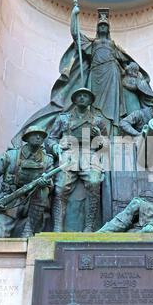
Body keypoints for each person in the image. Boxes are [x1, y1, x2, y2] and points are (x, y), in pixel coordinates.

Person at [11, 8, 153, 146]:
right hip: (95, 76)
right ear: (98, 29)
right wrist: (74, 15)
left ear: (108, 29)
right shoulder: (93, 44)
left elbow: (128, 62)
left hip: (112, 77)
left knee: (113, 110)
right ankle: (94, 138)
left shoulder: (112, 45)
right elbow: (76, 35)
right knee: (95, 107)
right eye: (101, 26)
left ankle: (112, 137)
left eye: (105, 26)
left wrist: (134, 72)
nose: (103, 28)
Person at [46, 87, 108, 232]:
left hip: (89, 153)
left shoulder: (97, 121)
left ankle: (89, 226)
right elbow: (51, 138)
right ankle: (57, 227)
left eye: (85, 96)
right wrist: (56, 147)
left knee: (94, 182)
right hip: (69, 154)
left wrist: (98, 135)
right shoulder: (63, 119)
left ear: (90, 100)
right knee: (60, 188)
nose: (82, 98)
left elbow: (105, 144)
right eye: (79, 95)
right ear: (74, 99)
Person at [0, 126, 54, 238]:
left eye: (41, 135)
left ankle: (29, 230)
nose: (38, 137)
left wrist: (47, 183)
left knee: (43, 189)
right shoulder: (11, 155)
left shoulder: (48, 160)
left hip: (33, 206)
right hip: (10, 203)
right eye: (35, 134)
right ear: (27, 138)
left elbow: (51, 184)